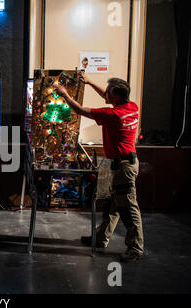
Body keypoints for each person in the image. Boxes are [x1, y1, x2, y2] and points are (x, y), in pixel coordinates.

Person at [55, 72, 144, 262]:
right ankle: (101, 238)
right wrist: (88, 82)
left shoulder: (112, 115)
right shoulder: (132, 107)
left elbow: (79, 110)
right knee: (114, 205)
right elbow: (106, 94)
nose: (106, 96)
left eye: (109, 94)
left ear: (117, 96)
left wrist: (65, 95)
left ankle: (136, 247)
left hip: (123, 166)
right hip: (127, 163)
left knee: (128, 207)